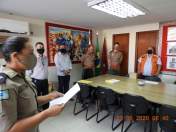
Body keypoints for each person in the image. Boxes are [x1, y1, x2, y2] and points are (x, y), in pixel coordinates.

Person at [0, 36, 64, 132]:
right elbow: (10, 129)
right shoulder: (5, 84)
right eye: (30, 53)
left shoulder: (22, 75)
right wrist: (46, 113)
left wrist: (49, 97)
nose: (33, 56)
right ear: (15, 56)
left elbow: (29, 101)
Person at [27, 42, 49, 110]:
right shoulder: (33, 58)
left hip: (45, 80)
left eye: (42, 47)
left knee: (46, 95)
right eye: (39, 47)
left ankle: (46, 108)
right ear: (36, 48)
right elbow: (28, 71)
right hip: (36, 81)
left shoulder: (45, 58)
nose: (41, 48)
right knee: (37, 96)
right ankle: (37, 109)